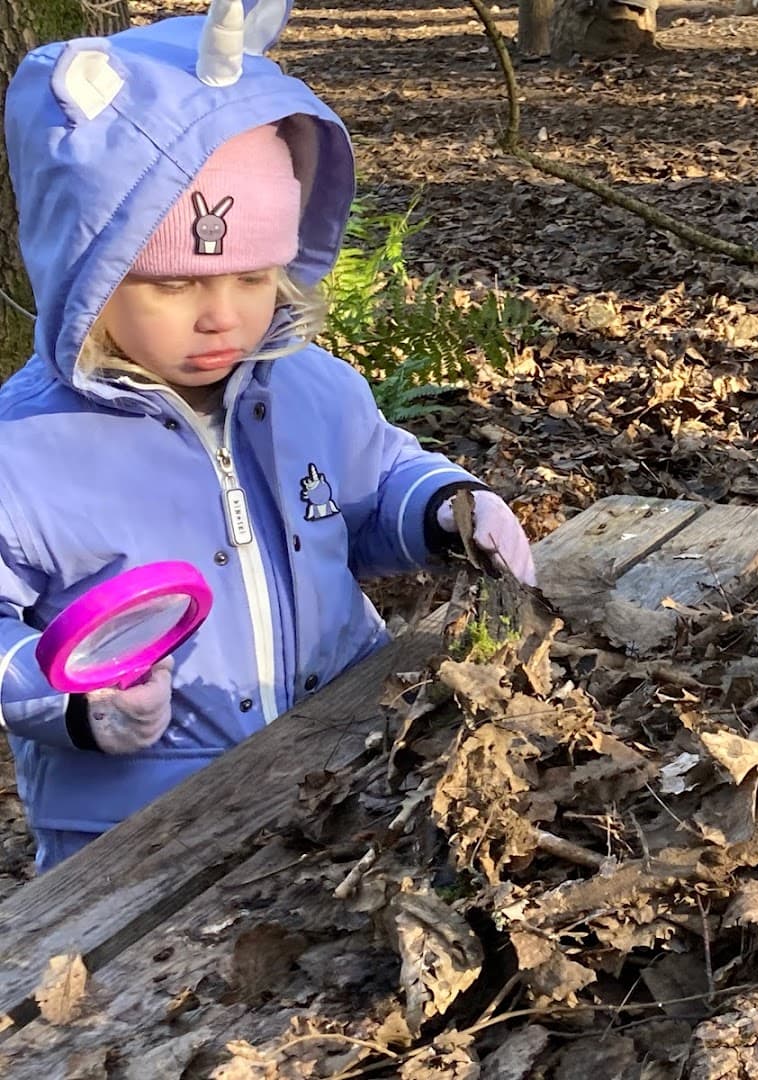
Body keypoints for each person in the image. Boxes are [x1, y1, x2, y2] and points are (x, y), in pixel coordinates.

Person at [0, 0, 536, 872]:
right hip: (136, 836)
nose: (222, 316)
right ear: (86, 278)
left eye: (253, 275)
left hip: (340, 766)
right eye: (173, 286)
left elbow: (370, 485)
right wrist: (77, 705)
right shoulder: (24, 450)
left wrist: (442, 507)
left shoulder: (309, 390)